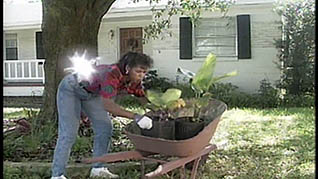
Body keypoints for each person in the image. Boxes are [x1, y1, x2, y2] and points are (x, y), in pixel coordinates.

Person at [51, 52, 154, 179]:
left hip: (91, 94)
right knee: (69, 133)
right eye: (138, 71)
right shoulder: (111, 74)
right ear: (127, 68)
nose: (141, 76)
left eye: (144, 72)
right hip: (71, 89)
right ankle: (57, 175)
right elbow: (108, 105)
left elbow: (142, 97)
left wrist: (156, 110)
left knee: (105, 128)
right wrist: (136, 116)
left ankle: (98, 168)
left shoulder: (134, 81)